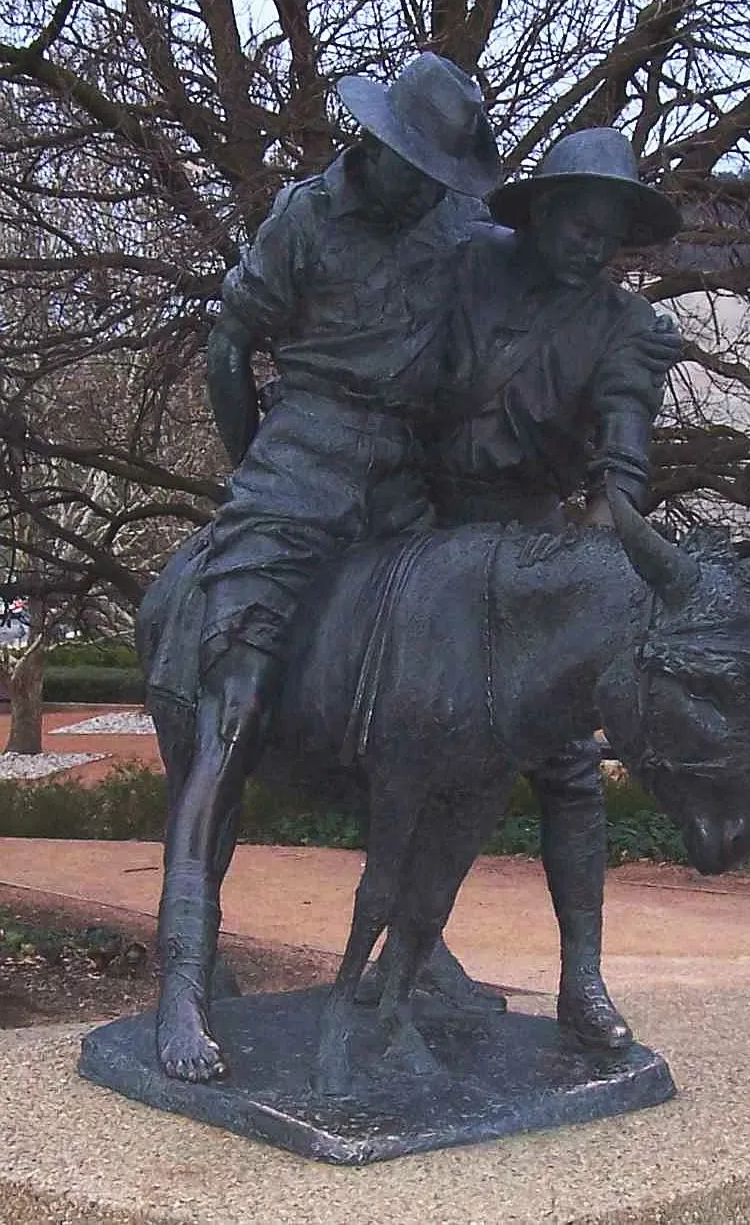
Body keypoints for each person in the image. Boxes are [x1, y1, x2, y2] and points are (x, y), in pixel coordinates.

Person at [153, 52, 501, 1083]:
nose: (425, 188)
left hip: (404, 475)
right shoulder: (306, 217)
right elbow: (231, 345)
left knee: (457, 701)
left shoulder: (461, 232)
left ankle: (418, 949)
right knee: (237, 699)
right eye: (415, 167)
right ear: (379, 145)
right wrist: (256, 471)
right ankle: (183, 977)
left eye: (442, 174)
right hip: (299, 458)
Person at [422, 128, 683, 1048]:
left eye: (608, 234)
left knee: (567, 767)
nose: (592, 246)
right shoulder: (467, 265)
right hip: (415, 524)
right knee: (400, 741)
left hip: (528, 540)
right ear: (538, 213)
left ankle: (582, 980)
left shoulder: (624, 328)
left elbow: (622, 453)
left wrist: (611, 546)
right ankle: (417, 951)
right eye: (578, 223)